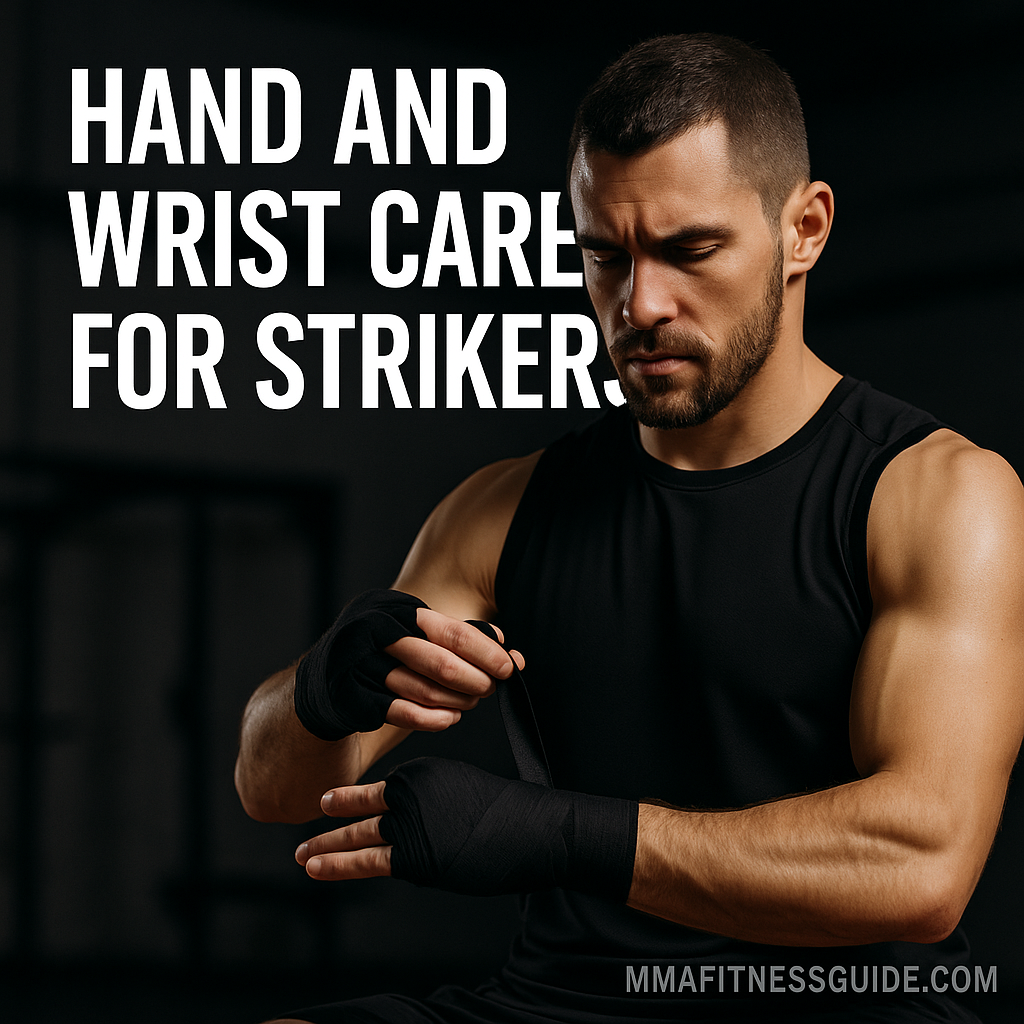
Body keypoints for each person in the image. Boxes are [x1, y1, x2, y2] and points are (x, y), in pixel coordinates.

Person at [235, 33, 1024, 1024]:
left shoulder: (936, 496)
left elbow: (920, 869)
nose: (639, 304)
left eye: (691, 251)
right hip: (560, 1005)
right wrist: (322, 688)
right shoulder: (503, 507)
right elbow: (274, 789)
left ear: (805, 228)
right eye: (603, 256)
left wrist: (566, 835)